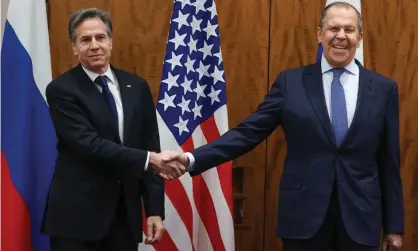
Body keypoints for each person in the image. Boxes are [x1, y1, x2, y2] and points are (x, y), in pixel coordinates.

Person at [160, 2, 404, 251]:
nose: (341, 36)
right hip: (303, 219)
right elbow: (247, 133)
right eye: (333, 28)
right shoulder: (291, 83)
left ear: (359, 37)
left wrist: (394, 226)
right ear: (319, 34)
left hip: (362, 218)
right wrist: (191, 158)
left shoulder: (384, 89)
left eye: (349, 30)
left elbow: (389, 161)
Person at [41, 8, 184, 251]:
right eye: (85, 40)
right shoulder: (61, 90)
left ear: (110, 41)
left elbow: (149, 144)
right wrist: (150, 159)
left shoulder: (136, 87)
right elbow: (89, 145)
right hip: (77, 218)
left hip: (123, 217)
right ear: (74, 47)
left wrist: (154, 210)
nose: (94, 45)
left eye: (100, 37)